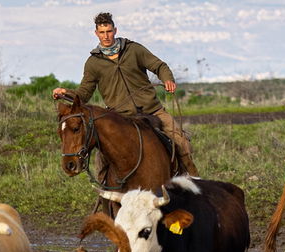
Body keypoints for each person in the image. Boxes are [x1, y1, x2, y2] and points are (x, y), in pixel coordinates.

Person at [52, 11, 198, 175]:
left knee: (181, 142)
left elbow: (159, 66)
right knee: (102, 161)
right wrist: (65, 93)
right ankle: (105, 197)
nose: (106, 36)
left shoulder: (134, 49)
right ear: (96, 34)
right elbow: (84, 94)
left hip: (152, 110)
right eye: (102, 32)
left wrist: (167, 79)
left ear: (115, 30)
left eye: (108, 31)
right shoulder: (93, 63)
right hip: (120, 117)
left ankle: (195, 183)